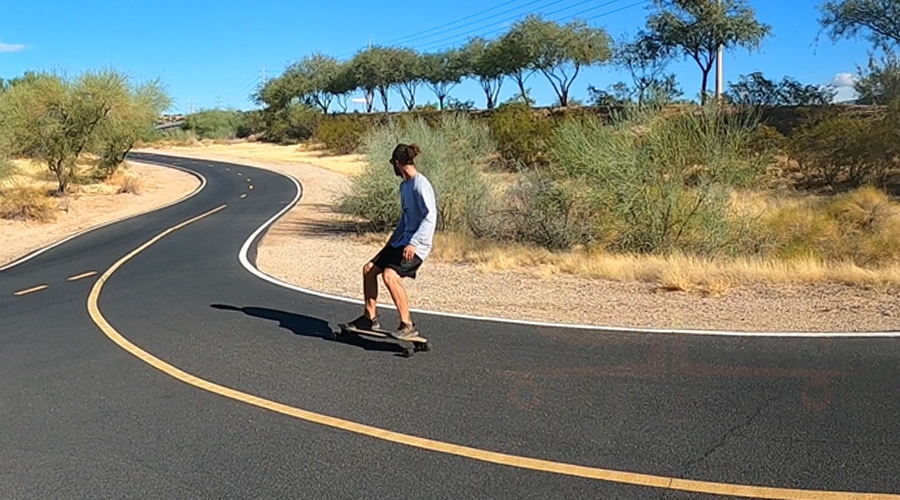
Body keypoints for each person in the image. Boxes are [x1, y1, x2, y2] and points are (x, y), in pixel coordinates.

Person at [345, 143, 437, 340]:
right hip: (402, 242)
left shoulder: (421, 184)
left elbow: (430, 217)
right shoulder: (404, 186)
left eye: (393, 165)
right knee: (369, 269)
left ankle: (407, 324)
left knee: (390, 275)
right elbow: (405, 220)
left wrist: (414, 243)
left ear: (397, 163)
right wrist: (390, 244)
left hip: (417, 245)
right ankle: (369, 318)